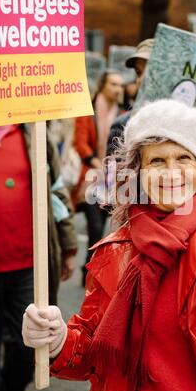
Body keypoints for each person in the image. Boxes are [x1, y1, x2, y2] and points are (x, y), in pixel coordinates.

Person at [22, 95, 196, 391]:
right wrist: (58, 339)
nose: (170, 172)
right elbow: (92, 354)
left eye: (183, 159)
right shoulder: (114, 250)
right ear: (138, 172)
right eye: (157, 161)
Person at [0, 117, 77, 391]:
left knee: (32, 347)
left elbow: (56, 191)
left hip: (28, 271)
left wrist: (68, 245)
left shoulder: (33, 134)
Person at [72, 70, 124, 285]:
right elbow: (80, 143)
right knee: (94, 227)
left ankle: (95, 271)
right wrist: (96, 163)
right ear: (103, 85)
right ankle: (88, 272)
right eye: (113, 84)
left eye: (120, 85)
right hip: (91, 178)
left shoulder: (123, 113)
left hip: (114, 181)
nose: (117, 89)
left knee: (104, 230)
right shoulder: (88, 111)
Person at [107, 38, 154, 156]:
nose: (141, 79)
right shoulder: (122, 126)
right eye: (138, 72)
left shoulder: (189, 122)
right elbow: (113, 173)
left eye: (151, 70)